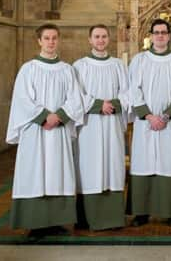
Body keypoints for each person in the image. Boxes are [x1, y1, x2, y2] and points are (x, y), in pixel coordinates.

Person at [6, 24, 84, 238]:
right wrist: (44, 117)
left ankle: (56, 221)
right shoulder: (29, 69)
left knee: (57, 173)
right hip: (36, 131)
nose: (51, 42)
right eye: (47, 38)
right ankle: (35, 223)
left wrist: (58, 116)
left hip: (58, 130)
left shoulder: (67, 70)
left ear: (58, 40)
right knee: (36, 173)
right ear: (39, 41)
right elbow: (22, 99)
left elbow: (75, 99)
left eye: (54, 38)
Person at [128, 18, 171, 227]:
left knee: (170, 163)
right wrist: (148, 115)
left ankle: (170, 212)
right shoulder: (139, 60)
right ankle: (141, 212)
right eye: (156, 32)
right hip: (146, 123)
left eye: (164, 32)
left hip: (170, 123)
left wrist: (165, 116)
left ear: (169, 36)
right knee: (144, 163)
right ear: (150, 36)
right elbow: (133, 90)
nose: (160, 36)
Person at [73, 25, 129, 231]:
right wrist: (99, 105)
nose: (100, 40)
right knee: (89, 166)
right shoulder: (80, 66)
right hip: (90, 126)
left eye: (104, 36)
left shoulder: (118, 65)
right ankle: (86, 218)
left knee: (112, 166)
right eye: (96, 37)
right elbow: (76, 94)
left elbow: (127, 91)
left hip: (112, 123)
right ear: (90, 40)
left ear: (109, 39)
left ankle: (113, 218)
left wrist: (112, 104)